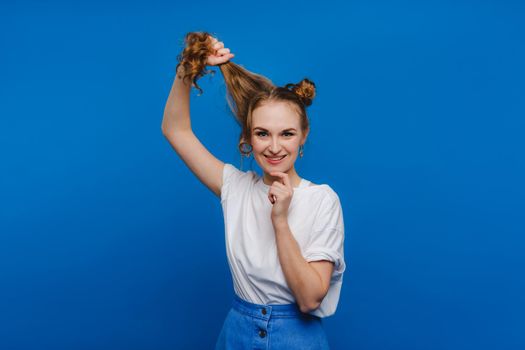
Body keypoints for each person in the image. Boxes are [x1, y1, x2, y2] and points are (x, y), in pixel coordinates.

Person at [161, 31, 346, 350]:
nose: (274, 147)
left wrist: (280, 220)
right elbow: (175, 129)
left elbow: (309, 298)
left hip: (296, 338)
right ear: (248, 138)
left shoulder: (322, 200)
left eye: (287, 134)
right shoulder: (235, 187)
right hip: (237, 333)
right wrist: (187, 69)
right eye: (262, 133)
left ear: (303, 136)